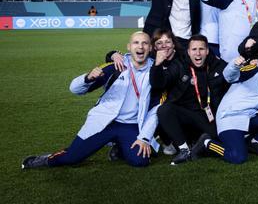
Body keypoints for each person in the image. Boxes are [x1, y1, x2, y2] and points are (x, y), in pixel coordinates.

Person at [22, 32, 159, 169]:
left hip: (132, 126)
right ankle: (47, 159)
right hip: (106, 123)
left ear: (151, 48)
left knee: (140, 161)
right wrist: (88, 78)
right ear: (129, 47)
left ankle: (120, 146)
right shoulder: (115, 67)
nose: (140, 46)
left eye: (145, 43)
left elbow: (155, 108)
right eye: (136, 43)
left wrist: (144, 137)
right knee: (72, 158)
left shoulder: (157, 73)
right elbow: (75, 89)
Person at [192, 46, 258, 164]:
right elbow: (229, 76)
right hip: (230, 117)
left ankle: (254, 142)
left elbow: (256, 98)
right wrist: (235, 64)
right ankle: (207, 143)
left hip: (249, 115)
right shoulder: (253, 69)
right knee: (238, 157)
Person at [151, 35, 229, 165]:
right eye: (194, 49)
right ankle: (184, 150)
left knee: (219, 138)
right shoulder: (180, 64)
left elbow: (233, 78)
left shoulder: (217, 64)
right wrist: (157, 65)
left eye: (201, 49)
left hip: (206, 115)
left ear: (207, 51)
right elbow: (159, 83)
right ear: (188, 51)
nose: (198, 53)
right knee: (164, 110)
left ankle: (199, 144)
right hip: (184, 113)